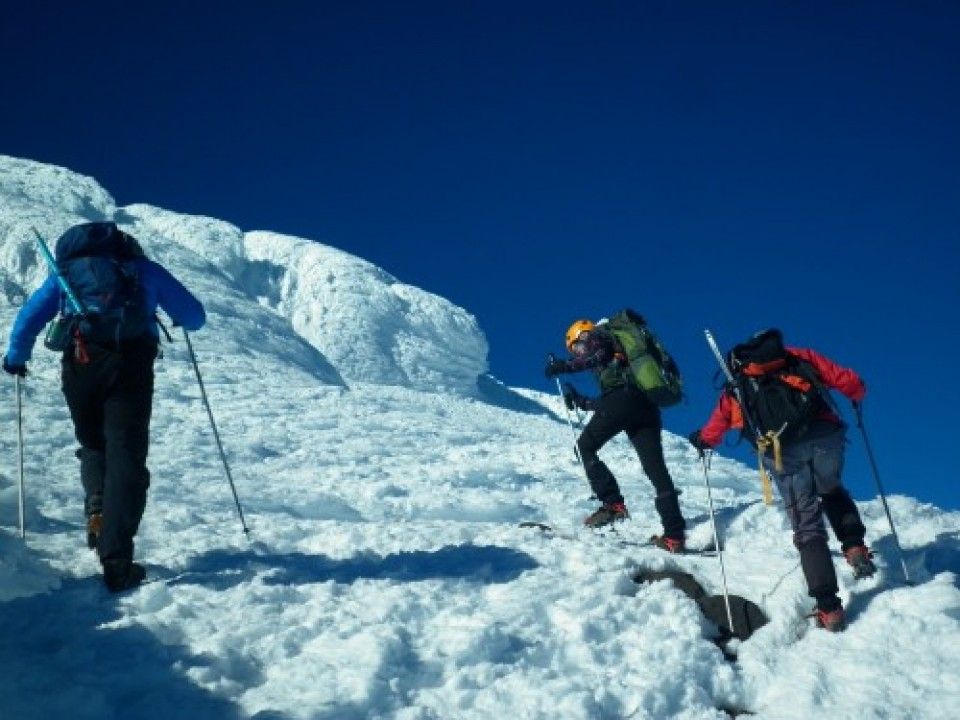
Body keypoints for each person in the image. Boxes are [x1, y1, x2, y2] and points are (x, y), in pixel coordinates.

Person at [2, 222, 205, 592]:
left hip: (80, 365)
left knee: (94, 444)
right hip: (130, 367)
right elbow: (195, 316)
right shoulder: (142, 269)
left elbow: (30, 316)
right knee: (125, 453)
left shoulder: (65, 273)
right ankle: (116, 560)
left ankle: (98, 506)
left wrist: (16, 358)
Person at [688, 328, 876, 632]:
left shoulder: (739, 384)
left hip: (781, 452)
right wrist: (857, 394)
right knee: (831, 489)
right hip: (825, 437)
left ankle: (829, 607)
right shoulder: (798, 358)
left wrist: (702, 440)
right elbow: (847, 381)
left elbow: (719, 425)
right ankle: (854, 546)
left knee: (806, 523)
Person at [545, 317, 686, 550]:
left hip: (625, 402)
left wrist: (565, 366)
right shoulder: (619, 356)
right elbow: (615, 400)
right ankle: (675, 536)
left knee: (584, 447)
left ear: (583, 334)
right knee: (656, 470)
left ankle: (613, 504)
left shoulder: (598, 336)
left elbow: (601, 367)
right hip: (646, 408)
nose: (579, 352)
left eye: (577, 347)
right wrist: (582, 402)